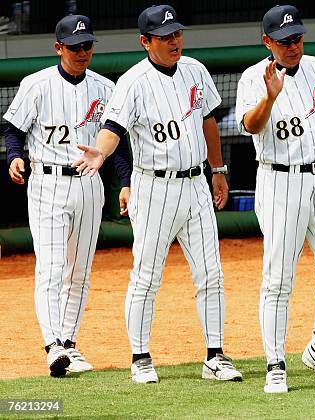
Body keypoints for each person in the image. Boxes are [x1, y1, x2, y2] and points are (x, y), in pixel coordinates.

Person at [72, 5, 242, 384]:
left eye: (176, 34)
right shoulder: (132, 82)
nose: (174, 41)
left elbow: (209, 121)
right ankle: (141, 357)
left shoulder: (196, 70)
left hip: (197, 184)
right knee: (146, 277)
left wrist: (218, 170)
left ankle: (215, 356)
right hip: (154, 188)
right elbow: (113, 127)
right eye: (165, 37)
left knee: (211, 273)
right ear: (145, 42)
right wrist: (100, 151)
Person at [3, 15, 131, 377]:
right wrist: (14, 156)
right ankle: (53, 345)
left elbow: (117, 143)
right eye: (75, 46)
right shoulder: (36, 85)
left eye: (87, 45)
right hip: (47, 183)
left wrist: (124, 181)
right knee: (52, 266)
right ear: (58, 48)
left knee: (79, 271)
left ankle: (70, 345)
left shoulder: (105, 88)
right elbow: (13, 128)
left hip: (90, 184)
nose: (82, 52)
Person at [235, 4, 315, 393]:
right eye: (284, 40)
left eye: (297, 38)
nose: (293, 46)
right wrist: (269, 99)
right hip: (280, 182)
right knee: (278, 278)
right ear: (267, 42)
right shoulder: (255, 77)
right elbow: (250, 126)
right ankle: (275, 362)